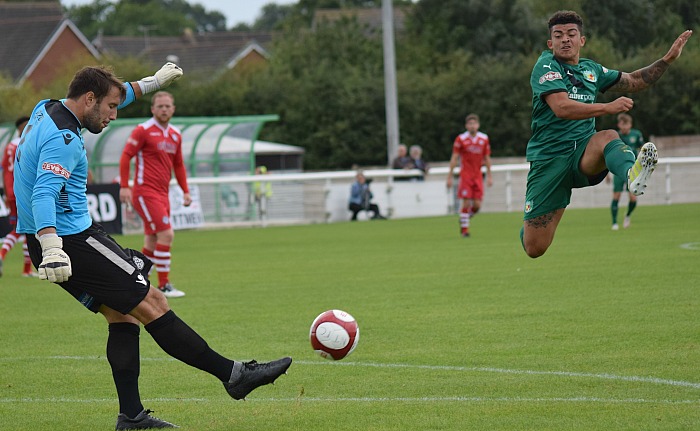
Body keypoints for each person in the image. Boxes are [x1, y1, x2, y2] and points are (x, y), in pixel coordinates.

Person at [13, 63, 292, 430]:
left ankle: (131, 416)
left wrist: (152, 83)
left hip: (59, 240)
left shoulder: (47, 108)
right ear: (89, 99)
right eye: (111, 108)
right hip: (69, 241)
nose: (115, 115)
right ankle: (235, 376)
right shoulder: (64, 138)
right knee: (154, 301)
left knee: (123, 315)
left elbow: (119, 92)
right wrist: (52, 246)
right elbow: (44, 192)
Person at [521, 10, 692, 258]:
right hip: (549, 158)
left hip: (583, 153)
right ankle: (528, 222)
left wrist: (667, 60)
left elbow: (634, 80)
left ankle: (631, 174)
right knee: (535, 247)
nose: (565, 40)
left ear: (582, 40)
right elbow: (561, 107)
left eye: (571, 34)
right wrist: (607, 107)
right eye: (558, 36)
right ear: (551, 43)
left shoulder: (593, 70)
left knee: (608, 136)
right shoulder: (545, 65)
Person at [119, 91, 188, 298]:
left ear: (173, 109)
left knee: (151, 239)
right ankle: (165, 285)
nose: (164, 109)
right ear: (153, 109)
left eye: (168, 106)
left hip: (162, 193)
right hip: (145, 191)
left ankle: (140, 281)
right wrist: (124, 186)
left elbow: (179, 165)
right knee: (167, 234)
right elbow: (126, 156)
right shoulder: (143, 130)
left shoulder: (175, 134)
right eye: (160, 106)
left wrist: (185, 191)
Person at [446, 113, 493, 237]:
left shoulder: (484, 138)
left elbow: (487, 158)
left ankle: (464, 217)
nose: (472, 126)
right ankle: (465, 229)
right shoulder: (461, 139)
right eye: (470, 124)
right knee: (466, 203)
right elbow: (454, 157)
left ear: (478, 125)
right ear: (466, 125)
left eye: (474, 123)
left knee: (477, 206)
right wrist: (449, 176)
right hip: (466, 175)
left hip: (477, 175)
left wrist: (489, 175)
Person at [1, 116, 36, 277]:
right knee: (29, 228)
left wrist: (7, 193)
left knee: (18, 229)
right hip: (22, 192)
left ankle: (4, 256)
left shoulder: (9, 145)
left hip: (10, 193)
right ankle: (26, 269)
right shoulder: (23, 144)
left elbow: (3, 170)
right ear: (24, 127)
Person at [606, 113, 645, 230]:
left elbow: (643, 150)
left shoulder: (636, 135)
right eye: (622, 125)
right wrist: (607, 173)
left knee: (633, 198)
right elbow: (609, 155)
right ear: (619, 125)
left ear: (630, 124)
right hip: (618, 171)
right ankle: (614, 223)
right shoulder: (615, 137)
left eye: (626, 124)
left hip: (633, 171)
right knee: (616, 196)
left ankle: (627, 215)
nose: (624, 127)